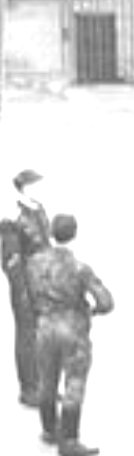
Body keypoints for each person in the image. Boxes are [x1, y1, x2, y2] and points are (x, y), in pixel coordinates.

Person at [26, 214, 114, 456]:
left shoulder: (33, 263)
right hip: (72, 328)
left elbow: (29, 295)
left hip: (44, 327)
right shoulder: (79, 267)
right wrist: (94, 310)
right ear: (74, 234)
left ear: (51, 233)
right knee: (74, 382)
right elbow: (106, 301)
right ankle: (69, 439)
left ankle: (49, 429)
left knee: (47, 379)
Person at [0, 169, 52, 407]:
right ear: (24, 188)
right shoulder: (12, 218)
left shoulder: (38, 209)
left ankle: (42, 385)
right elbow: (10, 260)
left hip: (42, 282)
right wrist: (21, 291)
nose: (41, 188)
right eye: (35, 184)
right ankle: (29, 389)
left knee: (42, 335)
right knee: (27, 335)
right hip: (25, 286)